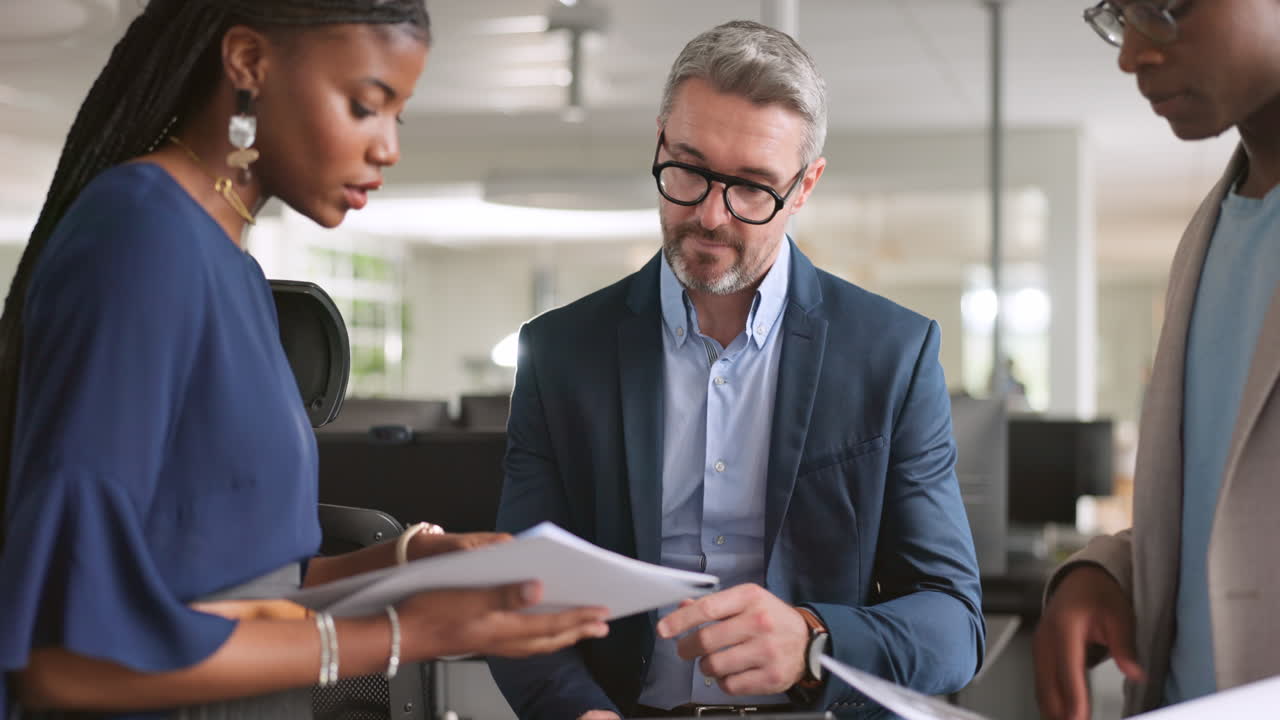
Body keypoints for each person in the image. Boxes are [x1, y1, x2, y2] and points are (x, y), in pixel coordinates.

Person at [0, 1, 609, 717]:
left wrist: (405, 563)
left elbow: (233, 584)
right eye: (364, 106)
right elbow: (66, 655)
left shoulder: (233, 270)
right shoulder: (142, 237)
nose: (388, 149)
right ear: (249, 63)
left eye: (397, 118)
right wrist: (400, 635)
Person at [487, 20, 985, 720]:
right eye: (688, 169)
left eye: (752, 188)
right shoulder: (562, 353)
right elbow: (519, 597)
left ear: (805, 185)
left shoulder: (891, 354)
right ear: (661, 141)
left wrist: (813, 640)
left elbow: (953, 627)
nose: (710, 216)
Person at [1034, 2, 1280, 719]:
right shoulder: (1210, 236)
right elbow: (1229, 512)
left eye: (1166, 5)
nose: (1131, 52)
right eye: (1120, 14)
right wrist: (1111, 573)